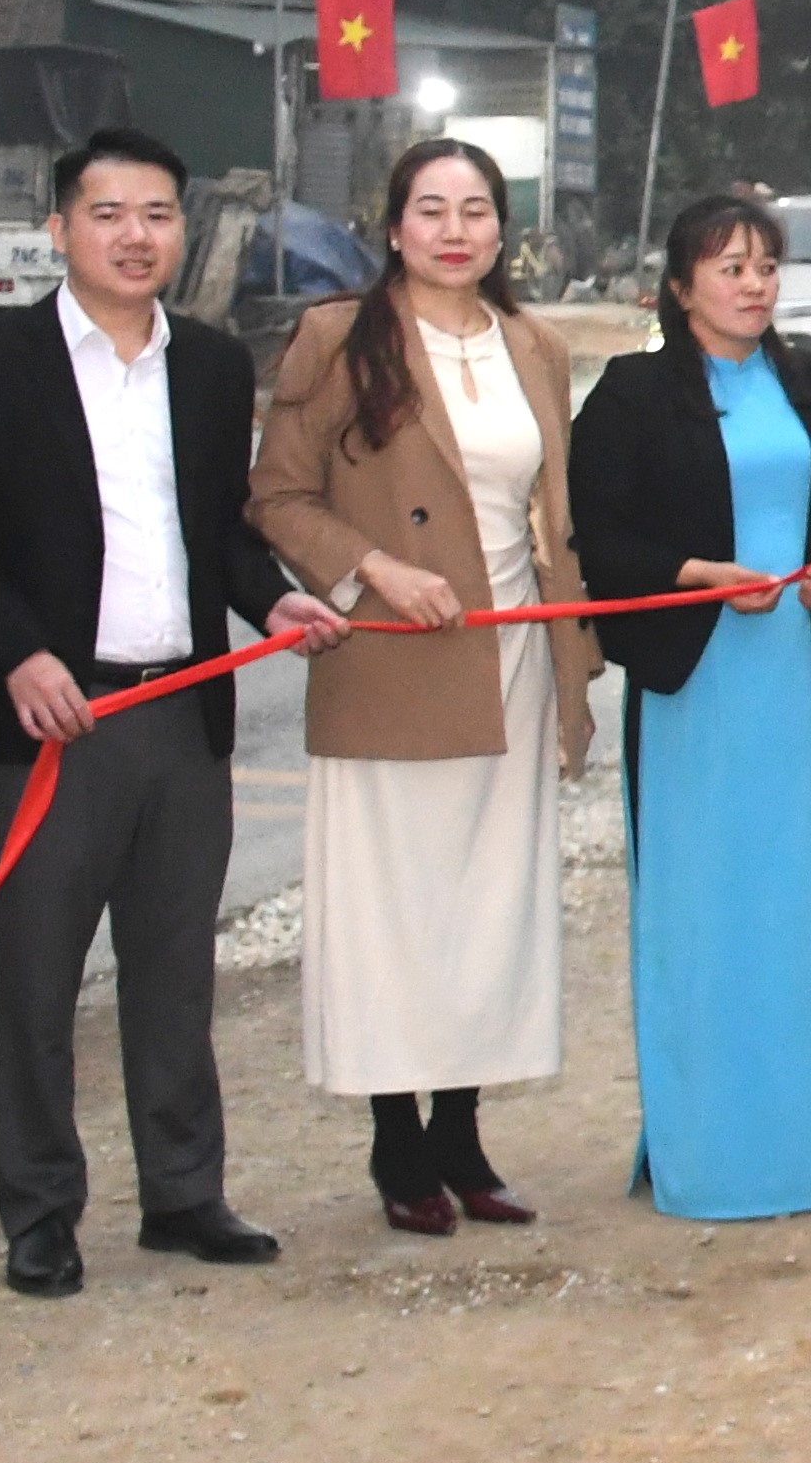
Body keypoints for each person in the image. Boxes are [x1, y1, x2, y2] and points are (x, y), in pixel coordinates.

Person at [0, 125, 346, 1295]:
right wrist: (19, 655)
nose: (135, 236)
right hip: (49, 721)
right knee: (37, 982)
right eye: (108, 214)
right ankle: (41, 1212)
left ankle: (185, 1192)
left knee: (174, 972)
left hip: (180, 712)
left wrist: (273, 601)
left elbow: (222, 532)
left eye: (157, 214)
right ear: (60, 228)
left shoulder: (206, 366)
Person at [250, 137, 596, 1236]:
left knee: (491, 910)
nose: (455, 230)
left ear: (502, 230)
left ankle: (463, 1133)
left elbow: (553, 511)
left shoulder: (535, 344)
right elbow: (278, 496)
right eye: (432, 209)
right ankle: (397, 1140)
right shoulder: (339, 340)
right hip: (392, 656)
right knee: (395, 913)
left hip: (513, 659)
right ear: (393, 227)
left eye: (477, 210)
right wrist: (373, 570)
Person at [570, 191, 811, 1224]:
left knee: (804, 908)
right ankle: (707, 1151)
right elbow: (601, 538)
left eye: (765, 267)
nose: (754, 286)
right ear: (680, 284)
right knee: (704, 917)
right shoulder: (632, 393)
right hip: (700, 688)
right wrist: (692, 573)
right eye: (730, 267)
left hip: (804, 681)